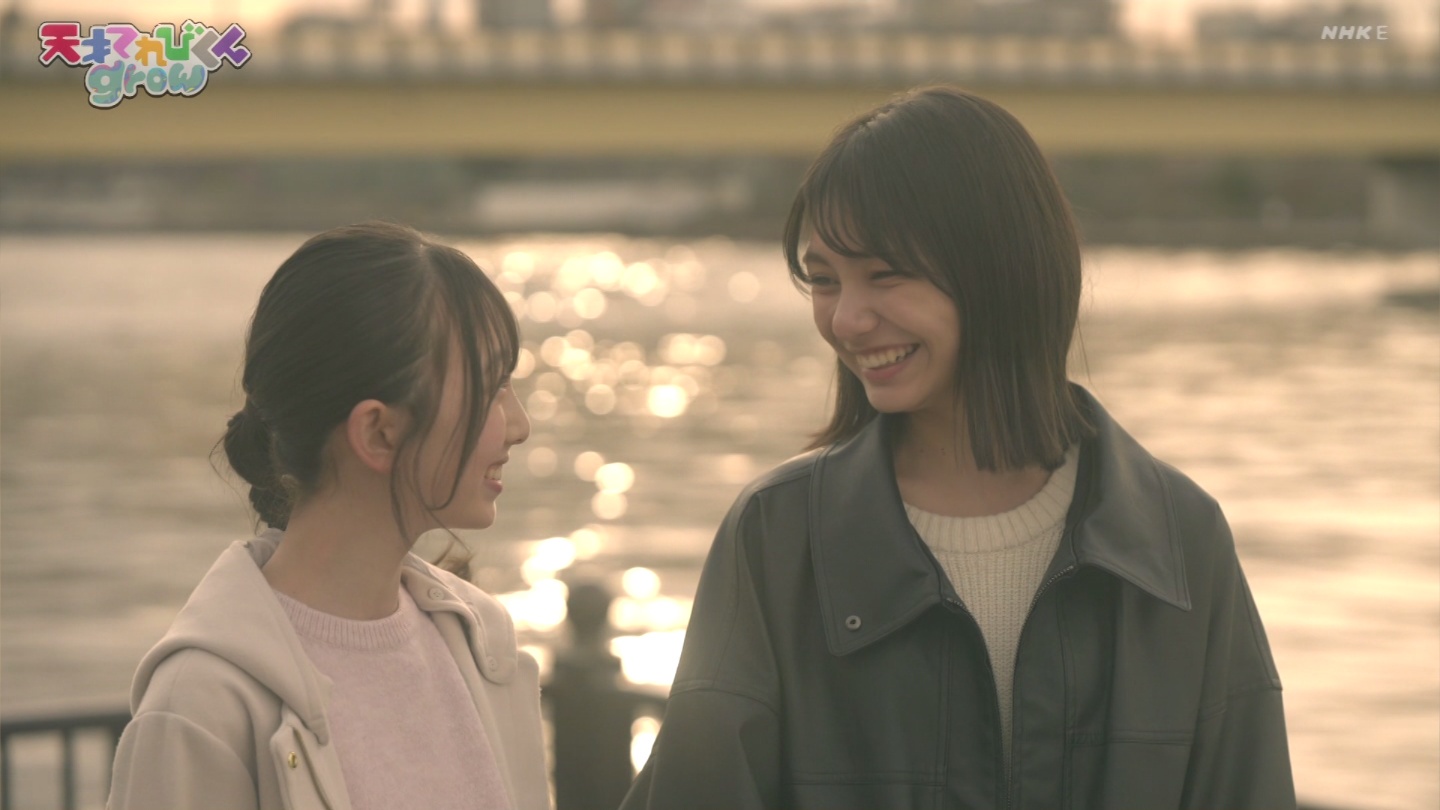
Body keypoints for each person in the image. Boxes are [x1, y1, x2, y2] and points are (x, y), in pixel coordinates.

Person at [621, 87, 1296, 809]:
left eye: (885, 275)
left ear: (1002, 266)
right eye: (823, 281)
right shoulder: (778, 539)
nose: (846, 319)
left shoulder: (1180, 538)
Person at [108, 222, 550, 810]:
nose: (519, 426)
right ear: (378, 431)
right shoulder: (202, 708)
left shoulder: (484, 648)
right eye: (492, 388)